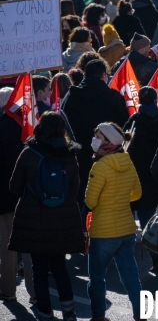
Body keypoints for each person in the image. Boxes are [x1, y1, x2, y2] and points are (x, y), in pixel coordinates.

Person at [8, 112, 85, 321]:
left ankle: (45, 313)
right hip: (63, 220)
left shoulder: (29, 153)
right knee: (59, 267)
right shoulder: (70, 155)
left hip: (34, 220)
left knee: (39, 269)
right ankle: (69, 312)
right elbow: (75, 188)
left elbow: (14, 186)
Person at [85, 123, 142, 321]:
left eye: (99, 136)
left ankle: (98, 315)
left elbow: (90, 201)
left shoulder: (99, 166)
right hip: (126, 228)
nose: (96, 139)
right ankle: (139, 313)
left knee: (97, 277)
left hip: (103, 231)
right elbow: (137, 193)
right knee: (130, 275)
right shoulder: (128, 161)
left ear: (109, 142)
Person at [62, 59, 128, 207]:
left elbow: (63, 124)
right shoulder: (113, 96)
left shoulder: (71, 96)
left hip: (78, 155)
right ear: (104, 75)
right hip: (108, 155)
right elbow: (123, 124)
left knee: (83, 196)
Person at [124, 87, 158, 260]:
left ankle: (154, 256)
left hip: (139, 177)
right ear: (156, 100)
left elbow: (125, 148)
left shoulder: (134, 121)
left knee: (146, 216)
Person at [0, 91, 35, 304]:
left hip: (5, 196)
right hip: (28, 194)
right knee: (30, 246)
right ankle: (35, 293)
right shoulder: (28, 125)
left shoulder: (3, 127)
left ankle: (8, 290)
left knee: (7, 245)